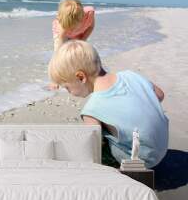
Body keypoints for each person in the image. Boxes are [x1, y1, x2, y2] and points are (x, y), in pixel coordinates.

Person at [48, 40, 168, 168]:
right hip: (162, 147)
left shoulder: (91, 109)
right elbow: (160, 95)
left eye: (67, 87)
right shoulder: (130, 75)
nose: (69, 93)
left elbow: (93, 148)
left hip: (141, 161)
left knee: (95, 137)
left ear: (81, 77)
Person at [49, 0, 96, 90]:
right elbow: (58, 52)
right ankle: (55, 79)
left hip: (80, 33)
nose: (72, 28)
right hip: (61, 34)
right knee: (61, 55)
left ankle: (78, 74)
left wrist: (82, 39)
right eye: (69, 27)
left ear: (81, 18)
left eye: (73, 26)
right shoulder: (62, 25)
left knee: (78, 53)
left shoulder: (89, 14)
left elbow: (91, 27)